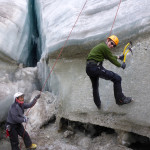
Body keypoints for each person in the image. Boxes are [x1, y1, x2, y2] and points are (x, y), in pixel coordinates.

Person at [86, 35, 132, 109]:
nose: (112, 45)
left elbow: (109, 56)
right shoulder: (104, 47)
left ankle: (98, 106)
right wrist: (121, 65)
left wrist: (119, 57)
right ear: (107, 40)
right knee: (117, 78)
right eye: (111, 43)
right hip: (95, 67)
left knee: (95, 87)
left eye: (114, 45)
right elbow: (111, 59)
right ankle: (120, 99)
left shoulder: (102, 47)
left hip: (89, 68)